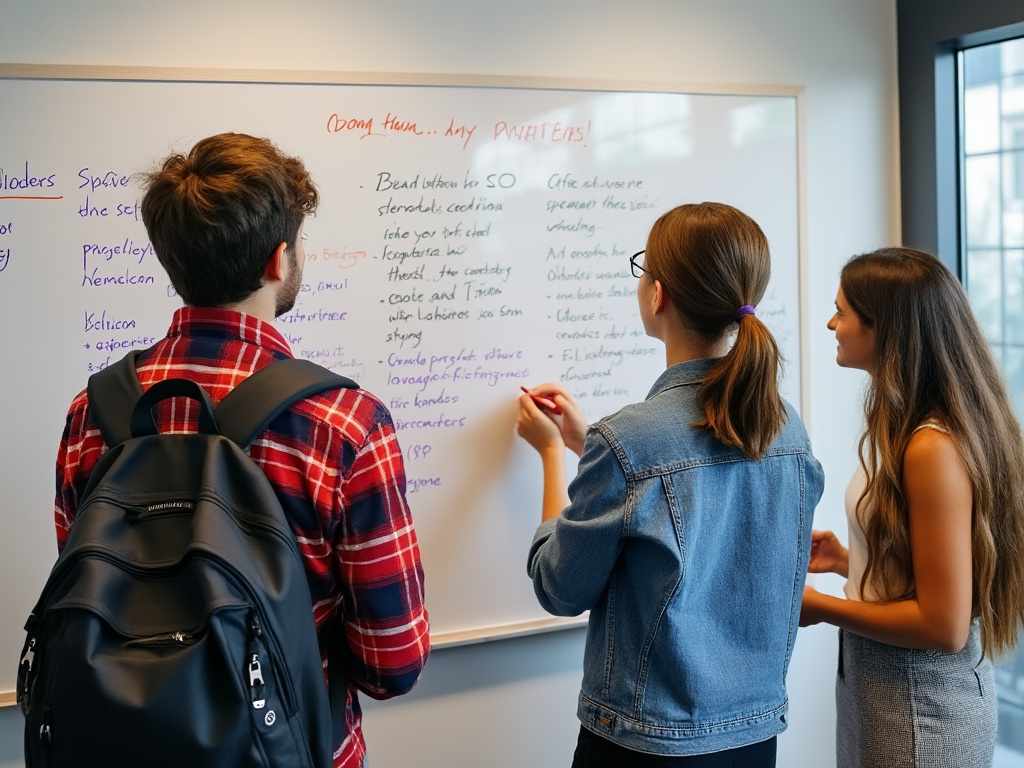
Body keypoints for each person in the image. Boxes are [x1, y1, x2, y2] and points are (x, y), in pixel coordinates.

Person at [54, 132, 430, 768]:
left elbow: (86, 590)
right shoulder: (343, 423)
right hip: (291, 749)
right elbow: (391, 663)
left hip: (123, 744)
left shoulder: (91, 413)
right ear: (278, 260)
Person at [517, 202, 825, 767]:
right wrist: (589, 443)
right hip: (753, 741)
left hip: (645, 746)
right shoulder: (788, 430)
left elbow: (558, 588)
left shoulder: (628, 443)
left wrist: (549, 458)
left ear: (657, 294)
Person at [800, 247, 1024, 768]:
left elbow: (944, 625)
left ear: (886, 331)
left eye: (843, 312)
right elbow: (937, 576)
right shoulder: (910, 431)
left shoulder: (930, 448)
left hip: (921, 709)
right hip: (881, 691)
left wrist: (819, 608)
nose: (832, 323)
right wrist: (849, 561)